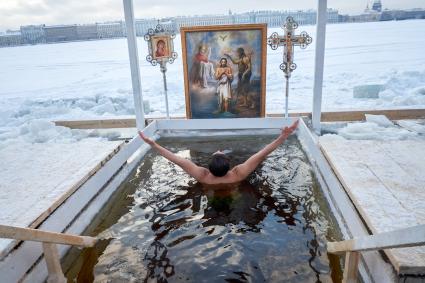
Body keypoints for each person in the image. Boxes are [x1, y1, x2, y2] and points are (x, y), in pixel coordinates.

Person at [138, 120, 299, 185]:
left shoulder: (203, 176)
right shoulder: (238, 173)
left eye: (216, 153)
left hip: (210, 191)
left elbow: (176, 159)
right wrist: (283, 136)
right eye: (220, 153)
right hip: (234, 191)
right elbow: (263, 153)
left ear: (208, 166)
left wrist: (153, 144)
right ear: (229, 164)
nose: (218, 150)